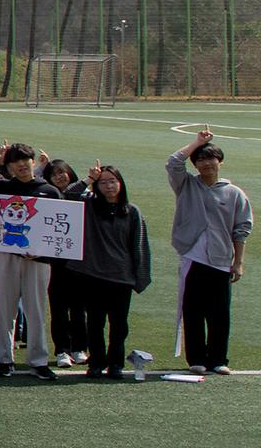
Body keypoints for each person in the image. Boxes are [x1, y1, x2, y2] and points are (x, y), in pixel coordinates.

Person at [165, 129, 250, 375]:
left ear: (219, 162)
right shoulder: (186, 185)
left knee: (220, 313)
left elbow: (241, 229)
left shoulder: (233, 193)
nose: (206, 163)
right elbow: (173, 162)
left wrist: (239, 262)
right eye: (201, 159)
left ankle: (218, 359)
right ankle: (197, 359)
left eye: (211, 158)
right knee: (192, 310)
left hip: (221, 259)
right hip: (192, 257)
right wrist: (198, 142)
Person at [0, 144, 60, 379]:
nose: (21, 165)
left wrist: (42, 254)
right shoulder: (4, 188)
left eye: (25, 160)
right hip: (6, 256)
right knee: (4, 308)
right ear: (9, 167)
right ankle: (3, 359)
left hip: (38, 261)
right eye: (15, 162)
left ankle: (38, 360)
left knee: (36, 310)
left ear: (33, 162)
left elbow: (57, 233)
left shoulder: (49, 191)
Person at [64, 165, 150, 380]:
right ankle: (96, 363)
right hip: (93, 275)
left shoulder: (132, 211)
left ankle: (116, 364)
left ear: (120, 184)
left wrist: (139, 278)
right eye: (103, 182)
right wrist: (88, 178)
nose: (109, 186)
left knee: (119, 325)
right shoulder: (89, 206)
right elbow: (69, 195)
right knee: (95, 323)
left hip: (121, 278)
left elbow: (139, 246)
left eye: (113, 181)